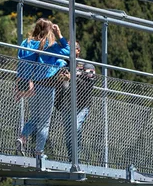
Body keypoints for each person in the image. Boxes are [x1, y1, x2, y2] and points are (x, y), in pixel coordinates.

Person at [16, 19, 70, 157]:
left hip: (31, 84)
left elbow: (21, 61)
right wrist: (60, 35)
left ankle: (22, 137)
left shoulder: (26, 43)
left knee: (34, 117)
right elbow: (68, 52)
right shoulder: (50, 45)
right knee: (44, 122)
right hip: (46, 85)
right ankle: (39, 151)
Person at [56, 41, 96, 160]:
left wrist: (72, 77)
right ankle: (71, 159)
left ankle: (76, 159)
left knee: (76, 128)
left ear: (78, 51)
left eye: (72, 48)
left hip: (81, 105)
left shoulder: (87, 66)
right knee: (68, 135)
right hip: (66, 105)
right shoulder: (62, 64)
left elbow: (89, 84)